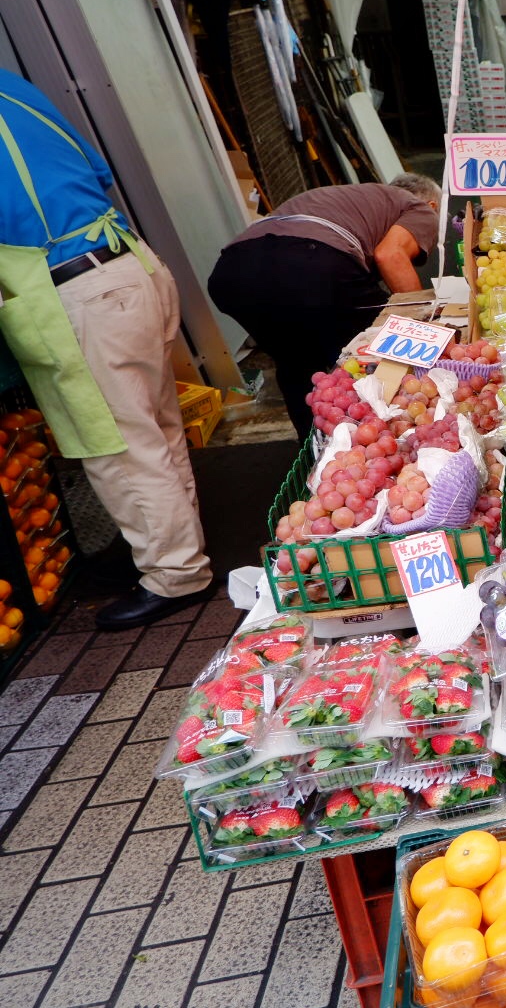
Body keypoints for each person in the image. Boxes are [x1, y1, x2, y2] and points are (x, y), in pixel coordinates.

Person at [0, 68, 212, 630]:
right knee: (157, 429)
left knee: (122, 448)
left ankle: (175, 574)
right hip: (131, 266)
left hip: (78, 291)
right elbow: (99, 171)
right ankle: (177, 554)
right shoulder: (13, 86)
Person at [208, 175, 441, 437]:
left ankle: (317, 452)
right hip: (311, 263)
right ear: (433, 206)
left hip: (233, 273)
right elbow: (390, 255)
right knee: (375, 354)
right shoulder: (419, 208)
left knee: (295, 361)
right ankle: (382, 440)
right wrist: (428, 332)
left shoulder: (346, 197)